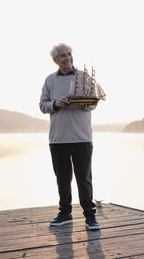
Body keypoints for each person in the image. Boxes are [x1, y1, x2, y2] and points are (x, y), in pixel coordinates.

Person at [39, 43, 100, 230]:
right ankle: (65, 213)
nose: (67, 58)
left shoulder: (84, 77)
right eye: (63, 56)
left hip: (82, 138)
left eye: (69, 54)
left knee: (84, 178)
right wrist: (56, 103)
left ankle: (90, 216)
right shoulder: (50, 80)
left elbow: (94, 102)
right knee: (62, 179)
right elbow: (42, 105)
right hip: (58, 139)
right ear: (56, 60)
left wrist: (86, 105)